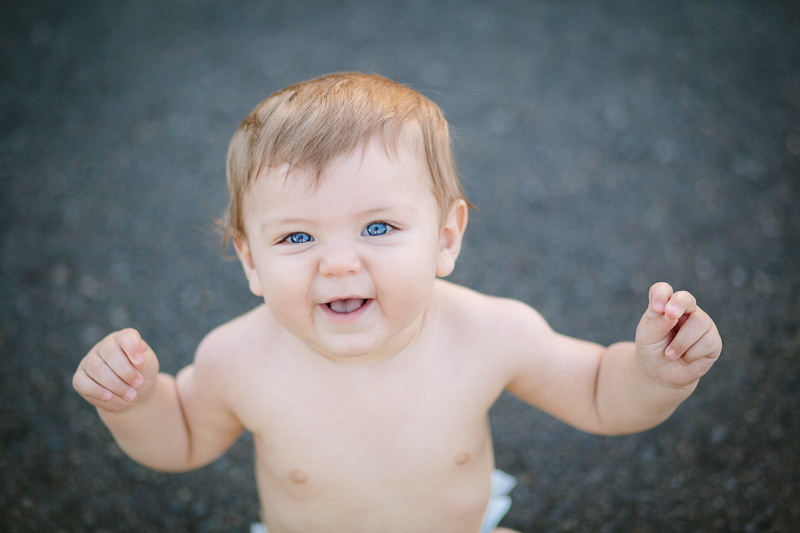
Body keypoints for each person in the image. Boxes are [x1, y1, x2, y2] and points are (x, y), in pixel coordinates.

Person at [72, 72, 722, 533]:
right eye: (296, 237)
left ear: (445, 238)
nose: (338, 263)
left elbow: (601, 393)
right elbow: (183, 438)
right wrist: (136, 403)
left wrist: (654, 373)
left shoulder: (489, 332)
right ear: (250, 261)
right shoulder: (237, 358)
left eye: (377, 227)